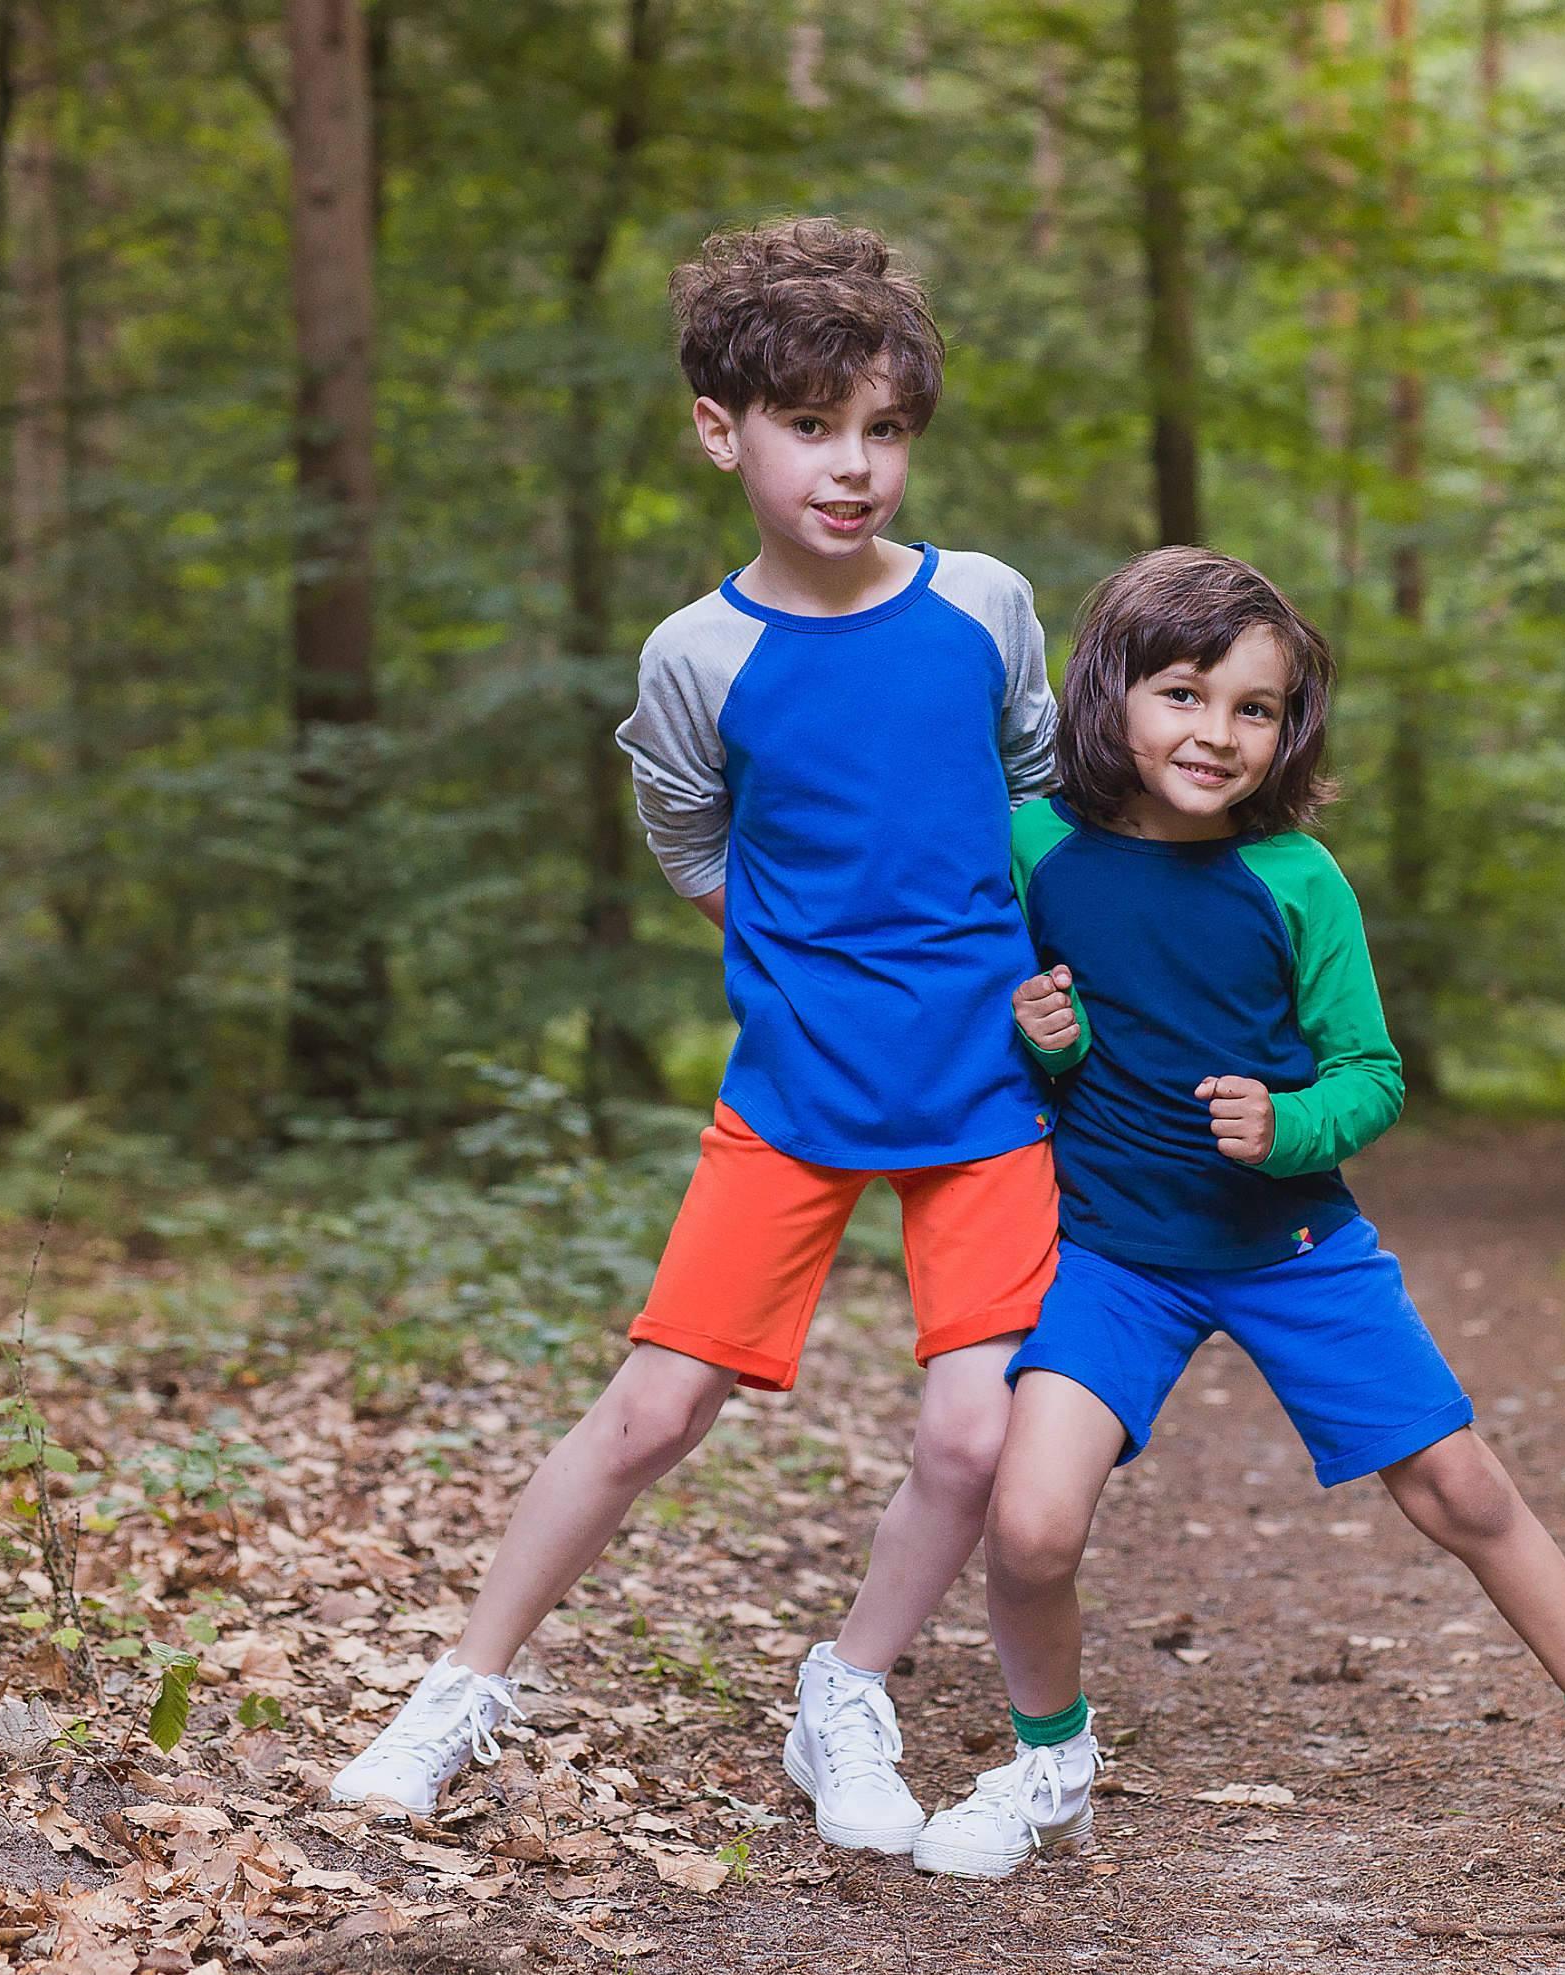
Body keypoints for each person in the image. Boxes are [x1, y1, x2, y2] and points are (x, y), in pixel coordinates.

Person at [332, 218, 1063, 1856]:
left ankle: (849, 1691)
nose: (855, 466)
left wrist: (1035, 966)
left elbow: (1031, 789)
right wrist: (801, 952)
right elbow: (687, 835)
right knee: (656, 1410)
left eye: (885, 429)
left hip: (991, 1086)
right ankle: (456, 1687)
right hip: (798, 1086)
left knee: (974, 1428)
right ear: (720, 431)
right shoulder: (697, 655)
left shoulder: (989, 605)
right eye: (812, 425)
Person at [909, 546, 1565, 1882]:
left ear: (1289, 729)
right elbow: (995, 1048)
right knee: (1028, 1524)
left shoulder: (1296, 878)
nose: (1218, 733)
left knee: (1462, 1486)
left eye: (1256, 708)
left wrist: (1291, 1124)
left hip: (1291, 1248)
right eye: (1184, 693)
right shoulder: (1034, 849)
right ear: (1110, 692)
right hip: (1112, 1253)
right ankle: (1046, 1764)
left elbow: (1370, 1071)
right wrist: (1045, 1042)